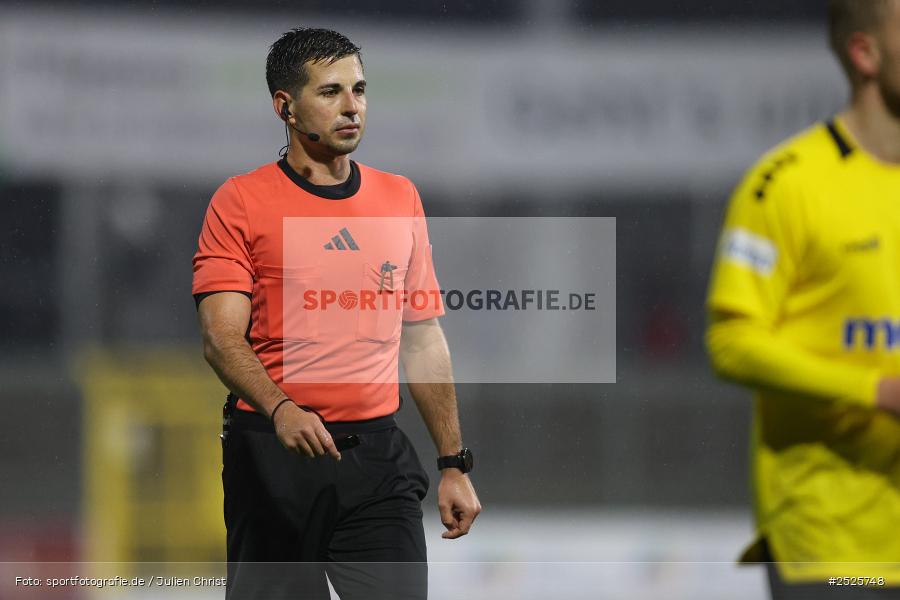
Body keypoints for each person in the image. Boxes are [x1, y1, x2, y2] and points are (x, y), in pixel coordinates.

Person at [192, 27, 481, 600]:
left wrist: (453, 461)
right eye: (330, 92)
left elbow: (422, 337)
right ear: (286, 107)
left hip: (378, 463)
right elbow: (220, 339)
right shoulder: (240, 201)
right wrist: (281, 409)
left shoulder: (400, 197)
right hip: (273, 456)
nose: (352, 106)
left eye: (359, 89)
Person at [706, 2, 900, 598]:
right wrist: (876, 391)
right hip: (831, 543)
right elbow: (732, 342)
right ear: (865, 53)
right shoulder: (785, 185)